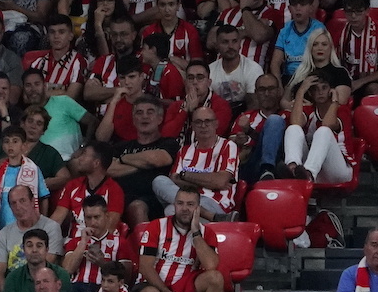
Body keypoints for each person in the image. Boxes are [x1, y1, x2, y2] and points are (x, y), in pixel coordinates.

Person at [152, 107, 240, 221]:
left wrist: (185, 175)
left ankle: (207, 217)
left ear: (216, 124)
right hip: (188, 199)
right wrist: (209, 183)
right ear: (192, 126)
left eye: (207, 121)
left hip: (214, 203)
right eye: (198, 122)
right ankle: (211, 217)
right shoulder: (184, 151)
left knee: (172, 210)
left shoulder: (228, 146)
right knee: (159, 181)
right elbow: (174, 179)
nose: (203, 126)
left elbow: (219, 181)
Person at [108, 95, 179, 226]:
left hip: (156, 199)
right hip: (120, 197)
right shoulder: (120, 147)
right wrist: (144, 164)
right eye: (139, 113)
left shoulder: (169, 143)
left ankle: (146, 246)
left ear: (160, 119)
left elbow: (156, 160)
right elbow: (110, 169)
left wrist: (123, 159)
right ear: (134, 120)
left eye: (150, 112)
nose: (144, 116)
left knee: (138, 207)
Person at [279, 72, 353, 185]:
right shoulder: (310, 110)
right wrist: (300, 92)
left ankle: (309, 174)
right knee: (293, 128)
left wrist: (335, 100)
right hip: (317, 171)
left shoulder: (342, 110)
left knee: (323, 131)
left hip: (339, 170)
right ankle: (292, 168)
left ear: (331, 90)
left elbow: (327, 124)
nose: (320, 92)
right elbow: (295, 122)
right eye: (315, 89)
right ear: (310, 93)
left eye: (324, 88)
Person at [63, 195, 132, 292]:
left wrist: (103, 264)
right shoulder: (75, 242)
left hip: (105, 290)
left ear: (106, 216)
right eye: (88, 218)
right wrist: (83, 243)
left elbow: (127, 277)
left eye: (97, 217)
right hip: (78, 288)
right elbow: (67, 271)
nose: (93, 222)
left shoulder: (120, 242)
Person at [0, 185, 63, 290]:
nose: (18, 207)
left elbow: (48, 263)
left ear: (33, 201)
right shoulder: (4, 233)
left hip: (41, 287)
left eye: (22, 201)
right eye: (13, 203)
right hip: (13, 288)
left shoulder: (51, 228)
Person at [0, 126, 50, 231]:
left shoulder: (33, 169)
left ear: (24, 145)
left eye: (15, 141)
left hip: (27, 227)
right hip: (2, 227)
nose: (10, 145)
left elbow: (43, 197)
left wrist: (42, 222)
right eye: (6, 141)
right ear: (3, 146)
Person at [209, 0, 281, 71]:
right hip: (222, 73)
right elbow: (211, 41)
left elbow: (259, 36)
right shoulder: (227, 13)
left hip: (254, 75)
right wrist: (247, 32)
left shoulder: (273, 14)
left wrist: (245, 9)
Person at [51, 141, 124, 231]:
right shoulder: (72, 185)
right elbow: (57, 219)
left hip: (101, 243)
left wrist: (86, 242)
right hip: (73, 242)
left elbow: (109, 228)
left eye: (84, 155)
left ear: (96, 163)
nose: (80, 159)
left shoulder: (114, 190)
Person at [3, 228, 73, 292]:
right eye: (29, 245)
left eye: (39, 246)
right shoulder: (13, 277)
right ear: (24, 250)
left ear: (47, 250)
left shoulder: (61, 274)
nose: (34, 250)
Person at [23, 15, 88, 101]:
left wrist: (39, 94)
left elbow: (70, 97)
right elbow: (25, 97)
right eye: (52, 32)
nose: (56, 36)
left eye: (61, 32)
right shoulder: (37, 62)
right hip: (37, 111)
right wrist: (60, 91)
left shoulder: (78, 61)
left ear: (71, 36)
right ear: (48, 36)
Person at [269, 0, 326, 84]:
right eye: (294, 5)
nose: (298, 8)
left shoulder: (319, 29)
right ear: (289, 8)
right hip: (289, 78)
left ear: (311, 8)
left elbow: (324, 60)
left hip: (312, 76)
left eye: (302, 5)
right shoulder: (285, 30)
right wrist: (278, 85)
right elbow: (275, 63)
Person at [209, 25, 263, 116]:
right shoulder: (210, 70)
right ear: (217, 45)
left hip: (244, 120)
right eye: (225, 42)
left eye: (234, 41)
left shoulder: (253, 68)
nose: (230, 46)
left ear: (239, 44)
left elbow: (254, 105)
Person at [337, 0, 378, 100]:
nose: (353, 16)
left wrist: (360, 82)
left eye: (358, 12)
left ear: (367, 11)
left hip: (371, 80)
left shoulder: (377, 32)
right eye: (349, 12)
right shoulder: (339, 32)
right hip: (345, 78)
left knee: (374, 90)